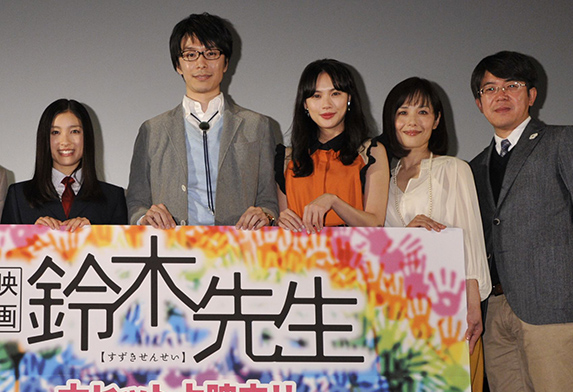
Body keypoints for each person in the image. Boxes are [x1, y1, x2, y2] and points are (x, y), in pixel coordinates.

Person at [469, 51, 573, 392]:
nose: (500, 95)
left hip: (557, 308)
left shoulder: (565, 141)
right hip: (496, 313)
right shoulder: (475, 167)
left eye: (511, 85)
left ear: (531, 95)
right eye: (490, 89)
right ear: (479, 103)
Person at [380, 77, 491, 392]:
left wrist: (472, 306)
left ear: (437, 120)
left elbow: (470, 239)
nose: (412, 122)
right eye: (403, 112)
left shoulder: (453, 169)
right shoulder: (380, 177)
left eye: (423, 112)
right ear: (391, 120)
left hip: (448, 306)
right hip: (396, 309)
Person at [127, 13, 278, 230]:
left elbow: (269, 201)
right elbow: (136, 202)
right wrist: (144, 218)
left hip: (238, 244)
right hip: (174, 244)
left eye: (211, 53)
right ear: (178, 65)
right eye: (190, 55)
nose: (201, 63)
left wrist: (266, 215)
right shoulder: (152, 130)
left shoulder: (258, 126)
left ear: (226, 62)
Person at [275, 59, 388, 233]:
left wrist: (333, 201)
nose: (326, 105)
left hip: (353, 248)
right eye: (316, 96)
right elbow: (284, 221)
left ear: (349, 98)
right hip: (299, 249)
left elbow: (375, 224)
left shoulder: (370, 151)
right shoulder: (287, 158)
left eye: (335, 93)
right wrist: (280, 220)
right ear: (305, 103)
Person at [1, 99, 127, 230]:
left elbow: (122, 243)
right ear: (44, 138)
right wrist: (31, 234)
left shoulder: (113, 197)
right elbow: (6, 243)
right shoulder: (19, 196)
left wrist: (94, 233)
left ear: (87, 136)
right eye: (55, 132)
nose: (65, 142)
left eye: (75, 131)